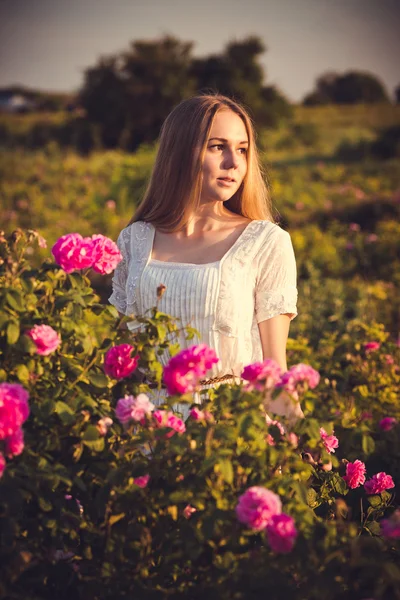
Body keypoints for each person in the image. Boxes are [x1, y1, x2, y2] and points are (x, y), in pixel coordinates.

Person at [109, 93, 303, 421]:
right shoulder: (136, 240)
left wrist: (310, 446)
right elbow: (119, 358)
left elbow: (274, 370)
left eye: (242, 149)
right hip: (146, 435)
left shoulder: (265, 242)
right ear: (181, 152)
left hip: (227, 434)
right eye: (218, 147)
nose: (234, 162)